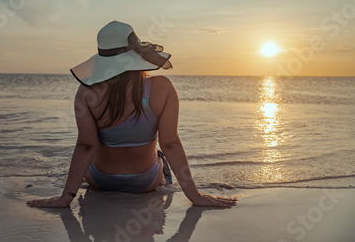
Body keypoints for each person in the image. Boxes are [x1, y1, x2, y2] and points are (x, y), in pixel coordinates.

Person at [27, 21, 237, 208]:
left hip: (101, 180)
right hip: (145, 181)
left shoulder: (87, 93)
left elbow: (86, 146)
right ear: (137, 57)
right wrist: (195, 196)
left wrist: (66, 198)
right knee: (161, 156)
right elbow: (170, 143)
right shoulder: (162, 88)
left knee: (88, 158)